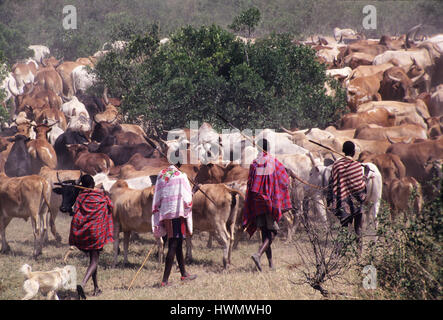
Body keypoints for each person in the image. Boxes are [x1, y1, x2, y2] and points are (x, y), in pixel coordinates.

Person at [243, 138, 292, 272]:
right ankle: (258, 254)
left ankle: (270, 265)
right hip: (270, 202)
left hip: (257, 203)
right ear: (268, 149)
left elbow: (250, 183)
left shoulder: (254, 164)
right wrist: (288, 174)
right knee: (273, 232)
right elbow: (284, 180)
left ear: (258, 149)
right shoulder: (274, 162)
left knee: (265, 233)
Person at [152, 162, 197, 287]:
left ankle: (184, 274)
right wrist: (194, 191)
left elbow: (158, 194)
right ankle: (164, 281)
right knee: (173, 244)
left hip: (166, 213)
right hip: (177, 213)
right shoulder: (181, 176)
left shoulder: (161, 175)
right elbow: (187, 199)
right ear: (179, 163)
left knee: (178, 243)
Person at [69, 174, 114, 299]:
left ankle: (96, 287)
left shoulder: (80, 198)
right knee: (94, 261)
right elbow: (111, 206)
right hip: (96, 233)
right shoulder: (100, 196)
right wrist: (106, 194)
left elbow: (75, 212)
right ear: (93, 184)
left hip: (85, 233)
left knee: (93, 260)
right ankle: (82, 284)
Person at [327, 141, 367, 236]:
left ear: (343, 151)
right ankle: (359, 249)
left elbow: (332, 182)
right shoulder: (357, 165)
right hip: (356, 203)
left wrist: (329, 200)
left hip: (342, 201)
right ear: (353, 152)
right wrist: (365, 175)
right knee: (357, 228)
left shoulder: (336, 165)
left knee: (343, 227)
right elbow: (360, 186)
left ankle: (342, 249)